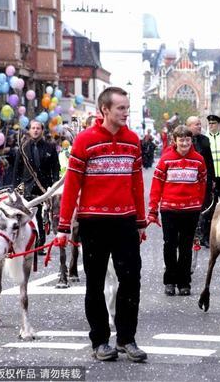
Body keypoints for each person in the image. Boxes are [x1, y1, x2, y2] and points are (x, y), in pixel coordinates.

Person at [56, 87, 147, 362]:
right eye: (120, 108)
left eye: (127, 107)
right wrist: (63, 226)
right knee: (94, 283)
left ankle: (127, 339)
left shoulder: (133, 141)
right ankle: (99, 341)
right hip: (93, 223)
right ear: (104, 110)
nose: (125, 112)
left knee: (131, 281)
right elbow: (72, 186)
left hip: (126, 222)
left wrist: (141, 221)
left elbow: (136, 183)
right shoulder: (85, 141)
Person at [148, 125, 207, 296]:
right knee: (170, 245)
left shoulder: (198, 160)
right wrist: (153, 208)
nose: (185, 143)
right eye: (181, 140)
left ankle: (184, 282)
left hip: (191, 210)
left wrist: (199, 202)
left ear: (191, 140)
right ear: (175, 141)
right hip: (169, 209)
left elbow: (203, 182)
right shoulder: (166, 160)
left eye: (187, 140)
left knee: (186, 246)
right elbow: (156, 185)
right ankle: (170, 281)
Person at [13, 120, 60, 254]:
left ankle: (39, 244)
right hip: (26, 187)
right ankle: (26, 242)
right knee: (25, 216)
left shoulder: (50, 147)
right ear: (29, 130)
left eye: (38, 128)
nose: (35, 130)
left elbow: (55, 168)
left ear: (42, 130)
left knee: (39, 215)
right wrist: (15, 188)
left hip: (43, 188)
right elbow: (17, 169)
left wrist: (54, 185)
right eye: (33, 128)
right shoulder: (23, 147)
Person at [186, 116, 215, 247]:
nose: (199, 126)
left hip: (205, 179)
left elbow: (210, 161)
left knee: (206, 208)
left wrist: (213, 179)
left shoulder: (205, 140)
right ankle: (192, 234)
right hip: (189, 180)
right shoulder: (184, 140)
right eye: (196, 124)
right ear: (189, 126)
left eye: (199, 124)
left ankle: (205, 236)